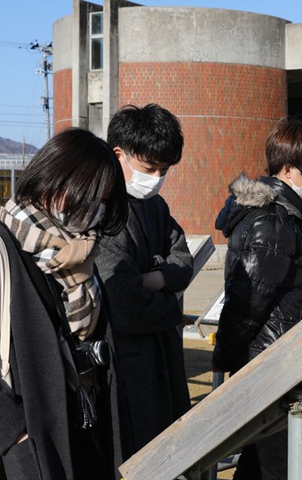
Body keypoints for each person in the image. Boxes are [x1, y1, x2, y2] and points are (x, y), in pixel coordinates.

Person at [0, 128, 129, 480]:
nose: (93, 210)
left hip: (84, 433)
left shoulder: (82, 254)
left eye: (103, 201)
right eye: (85, 196)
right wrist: (13, 430)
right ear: (50, 180)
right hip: (21, 452)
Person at [212, 117, 302, 479]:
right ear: (287, 169)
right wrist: (225, 355)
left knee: (258, 456)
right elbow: (250, 300)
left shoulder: (271, 215)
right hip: (270, 356)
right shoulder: (273, 222)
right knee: (275, 460)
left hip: (262, 353)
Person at [94, 103, 193, 467]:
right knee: (134, 457)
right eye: (150, 167)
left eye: (164, 170)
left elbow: (185, 261)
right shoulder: (102, 210)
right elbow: (123, 302)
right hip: (123, 363)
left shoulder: (156, 206)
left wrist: (153, 277)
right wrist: (170, 302)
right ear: (119, 153)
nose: (156, 177)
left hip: (160, 353)